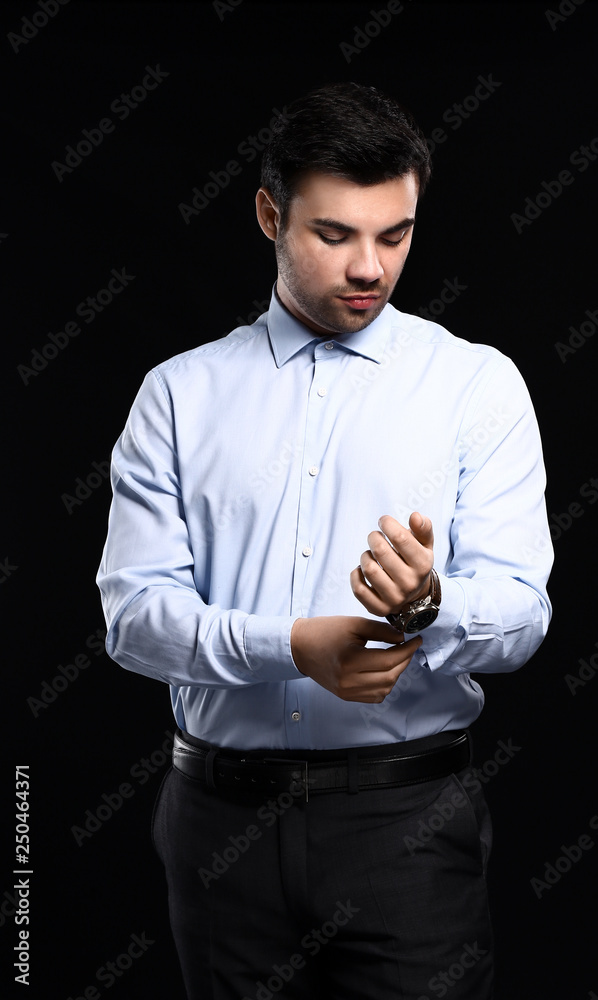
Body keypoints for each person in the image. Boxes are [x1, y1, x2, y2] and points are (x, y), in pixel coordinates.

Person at [97, 82, 553, 1000]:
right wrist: (292, 648)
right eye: (333, 234)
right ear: (270, 215)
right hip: (216, 825)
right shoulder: (180, 396)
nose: (369, 268)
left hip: (409, 826)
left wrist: (432, 607)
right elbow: (134, 619)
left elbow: (521, 614)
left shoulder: (475, 386)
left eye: (395, 234)